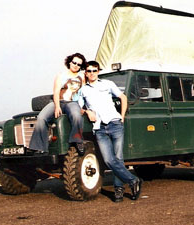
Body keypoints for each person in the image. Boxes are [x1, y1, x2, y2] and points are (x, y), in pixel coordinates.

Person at [78, 60, 142, 202]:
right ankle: (133, 180)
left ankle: (118, 189)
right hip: (99, 128)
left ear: (98, 71)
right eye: (89, 71)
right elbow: (79, 108)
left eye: (94, 70)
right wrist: (87, 111)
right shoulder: (83, 90)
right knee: (108, 160)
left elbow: (122, 97)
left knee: (118, 158)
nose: (92, 73)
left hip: (114, 123)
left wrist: (122, 116)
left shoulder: (107, 84)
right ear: (86, 73)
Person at [29, 53, 86, 155]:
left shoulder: (82, 76)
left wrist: (82, 107)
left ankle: (77, 140)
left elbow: (84, 92)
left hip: (73, 103)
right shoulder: (61, 75)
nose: (76, 65)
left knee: (76, 116)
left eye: (79, 64)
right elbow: (56, 92)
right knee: (41, 117)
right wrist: (57, 106)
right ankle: (39, 147)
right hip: (58, 101)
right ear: (69, 62)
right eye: (74, 62)